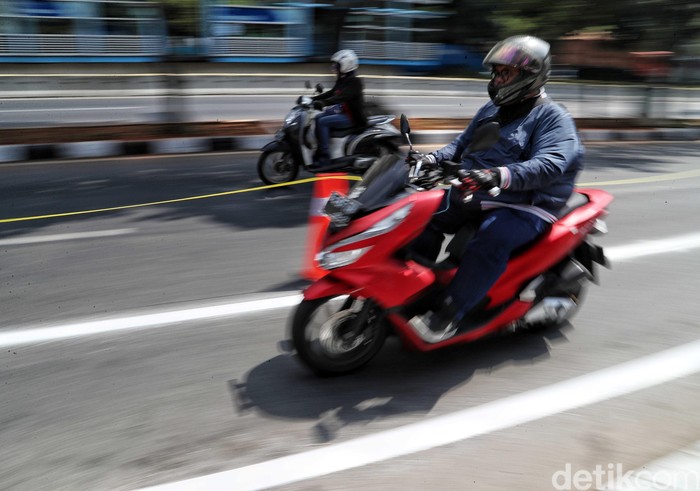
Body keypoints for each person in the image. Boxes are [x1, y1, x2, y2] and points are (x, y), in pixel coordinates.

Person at [408, 35, 584, 341]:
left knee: (491, 237)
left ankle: (450, 313)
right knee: (420, 215)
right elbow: (461, 147)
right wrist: (431, 159)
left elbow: (551, 164)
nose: (498, 79)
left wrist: (500, 175)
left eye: (506, 73)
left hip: (527, 204)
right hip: (480, 191)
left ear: (531, 75)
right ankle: (413, 287)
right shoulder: (491, 109)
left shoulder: (553, 118)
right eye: (497, 72)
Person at [311, 49, 367, 167]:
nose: (334, 67)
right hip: (344, 113)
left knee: (323, 121)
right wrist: (314, 99)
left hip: (353, 118)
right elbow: (332, 92)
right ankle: (319, 150)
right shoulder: (343, 79)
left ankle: (325, 157)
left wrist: (323, 103)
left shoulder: (355, 82)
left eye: (337, 65)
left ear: (346, 65)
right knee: (318, 117)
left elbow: (341, 97)